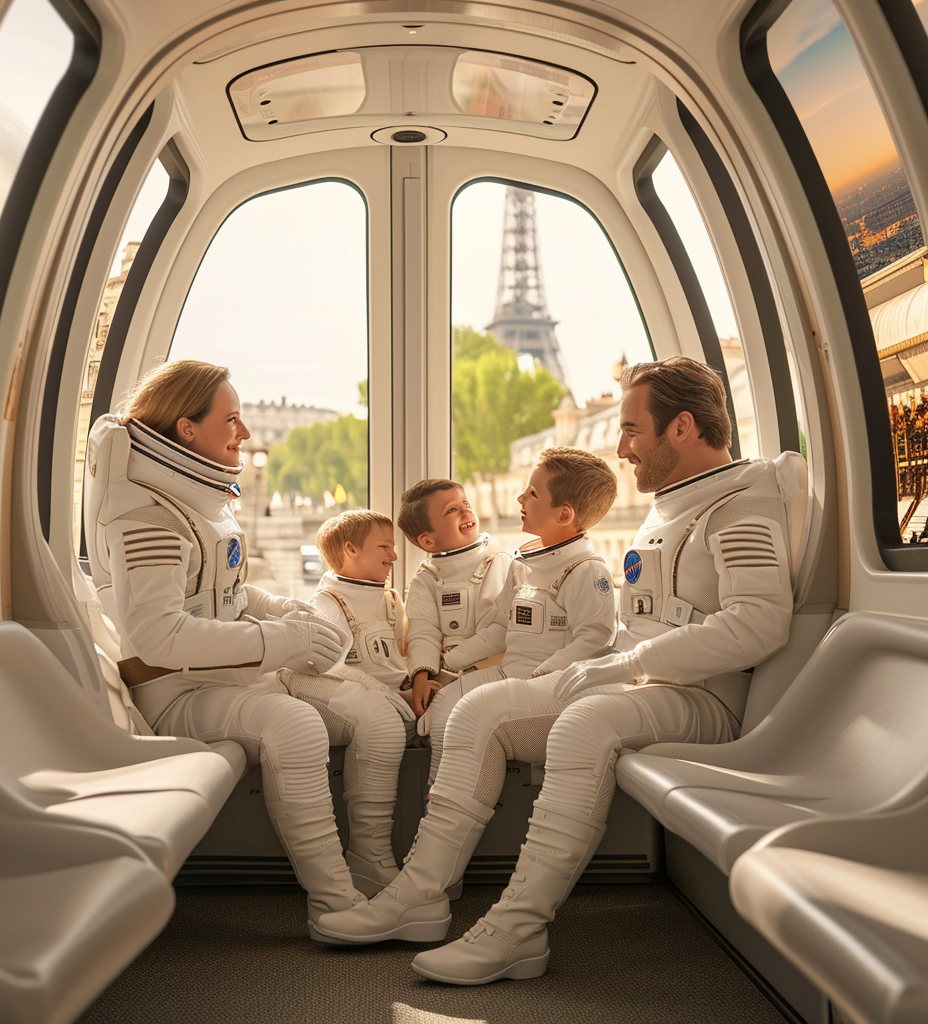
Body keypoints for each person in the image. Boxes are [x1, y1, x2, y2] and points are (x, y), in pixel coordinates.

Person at [310, 356, 807, 989]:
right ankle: (420, 895)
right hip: (645, 683)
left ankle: (518, 927)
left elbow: (759, 625)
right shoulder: (672, 508)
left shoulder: (740, 503)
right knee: (477, 709)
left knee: (586, 722)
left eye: (631, 430)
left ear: (681, 427)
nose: (622, 447)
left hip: (702, 699)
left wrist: (621, 665)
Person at [83, 359, 366, 932]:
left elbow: (222, 592)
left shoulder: (186, 501)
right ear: (187, 431)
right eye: (232, 420)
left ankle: (367, 869)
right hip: (172, 692)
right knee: (296, 726)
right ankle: (335, 904)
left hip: (214, 679)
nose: (245, 433)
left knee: (364, 707)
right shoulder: (145, 514)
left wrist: (280, 610)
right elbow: (157, 636)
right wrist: (277, 640)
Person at [410, 452, 619, 788]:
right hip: (513, 675)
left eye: (532, 494)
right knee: (445, 703)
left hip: (547, 687)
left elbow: (595, 640)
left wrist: (541, 676)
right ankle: (439, 793)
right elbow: (499, 627)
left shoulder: (586, 570)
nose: (520, 498)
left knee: (468, 713)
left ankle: (454, 798)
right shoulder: (522, 564)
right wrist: (446, 665)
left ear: (564, 514)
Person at [278, 509, 416, 896]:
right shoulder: (330, 600)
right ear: (351, 549)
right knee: (379, 722)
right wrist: (386, 695)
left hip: (385, 695)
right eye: (384, 547)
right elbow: (329, 662)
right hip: (324, 685)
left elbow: (400, 656)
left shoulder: (390, 599)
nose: (393, 556)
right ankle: (369, 857)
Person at [397, 479, 513, 782]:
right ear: (428, 541)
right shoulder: (426, 578)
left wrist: (448, 666)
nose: (465, 512)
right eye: (452, 510)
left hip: (491, 670)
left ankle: (447, 798)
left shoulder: (499, 563)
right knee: (433, 727)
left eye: (466, 504)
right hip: (444, 675)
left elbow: (500, 631)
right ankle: (438, 796)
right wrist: (422, 673)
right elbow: (422, 630)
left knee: (456, 723)